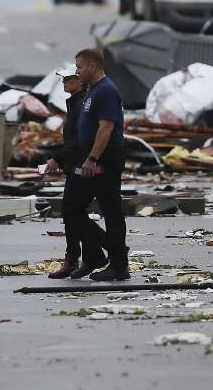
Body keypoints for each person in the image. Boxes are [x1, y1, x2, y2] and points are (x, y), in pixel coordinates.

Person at [70, 47, 130, 281]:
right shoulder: (92, 91)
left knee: (111, 211)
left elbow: (106, 128)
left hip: (104, 158)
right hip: (91, 156)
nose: (77, 71)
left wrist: (93, 158)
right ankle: (109, 251)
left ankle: (118, 265)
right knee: (73, 209)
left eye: (79, 66)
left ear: (92, 66)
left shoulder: (106, 91)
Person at [45, 67, 107, 279]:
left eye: (69, 78)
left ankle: (103, 249)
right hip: (75, 165)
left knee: (71, 212)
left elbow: (79, 141)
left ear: (80, 81)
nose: (64, 82)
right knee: (72, 213)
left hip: (83, 165)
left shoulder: (82, 104)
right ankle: (90, 256)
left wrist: (57, 157)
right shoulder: (76, 102)